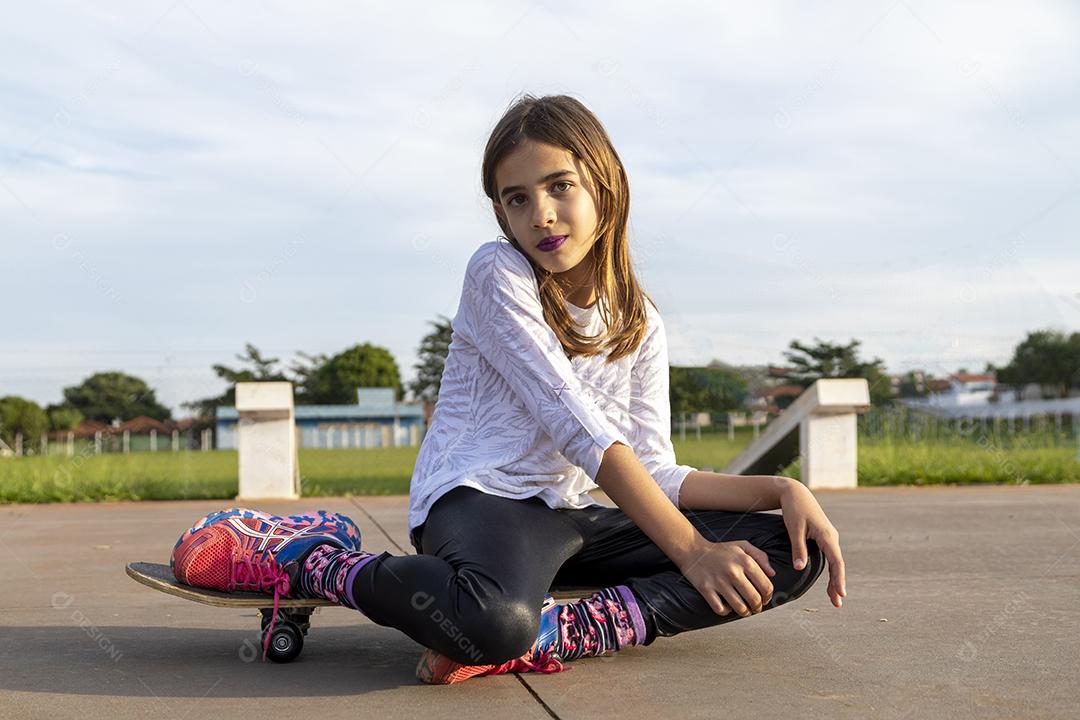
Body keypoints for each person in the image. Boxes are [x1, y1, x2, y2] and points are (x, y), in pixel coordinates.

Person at [170, 93, 847, 684]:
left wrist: (779, 490)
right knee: (492, 618)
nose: (541, 215)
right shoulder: (498, 275)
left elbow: (651, 469)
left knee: (792, 550)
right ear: (500, 212)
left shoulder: (640, 324)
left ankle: (556, 636)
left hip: (573, 514)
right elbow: (577, 426)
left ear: (605, 187)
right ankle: (314, 560)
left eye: (560, 187)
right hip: (480, 499)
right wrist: (693, 552)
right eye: (517, 199)